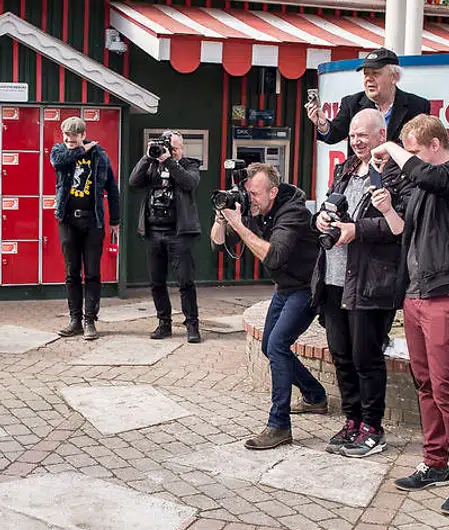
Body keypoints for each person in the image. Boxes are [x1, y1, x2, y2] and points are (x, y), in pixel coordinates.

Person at [374, 115, 449, 515]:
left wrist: (390, 148)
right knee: (425, 385)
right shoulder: (424, 184)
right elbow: (404, 229)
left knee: (447, 388)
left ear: (434, 146)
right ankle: (435, 462)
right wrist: (388, 208)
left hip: (448, 297)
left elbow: (432, 178)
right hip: (417, 295)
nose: (411, 160)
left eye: (415, 150)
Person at [310, 109, 407, 458]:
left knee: (366, 357)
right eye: (352, 135)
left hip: (370, 281)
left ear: (382, 136)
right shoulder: (345, 169)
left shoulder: (394, 174)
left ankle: (372, 427)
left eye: (363, 135)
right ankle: (352, 420)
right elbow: (332, 208)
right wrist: (321, 219)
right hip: (334, 279)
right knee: (341, 356)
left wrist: (357, 230)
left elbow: (400, 227)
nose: (356, 141)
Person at [211, 163, 324, 450]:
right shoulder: (255, 209)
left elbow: (273, 257)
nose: (251, 199)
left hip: (307, 287)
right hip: (285, 287)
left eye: (256, 193)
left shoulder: (294, 212)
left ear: (273, 191)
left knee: (277, 346)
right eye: (248, 193)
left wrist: (238, 223)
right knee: (268, 346)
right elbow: (217, 245)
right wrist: (222, 219)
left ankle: (279, 425)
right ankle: (314, 395)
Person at [50, 116, 121, 341]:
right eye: (66, 136)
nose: (68, 139)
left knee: (91, 272)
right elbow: (57, 162)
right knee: (72, 272)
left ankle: (90, 320)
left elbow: (112, 188)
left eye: (73, 136)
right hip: (68, 220)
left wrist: (115, 220)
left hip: (93, 221)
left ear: (82, 134)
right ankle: (75, 320)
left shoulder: (99, 156)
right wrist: (80, 150)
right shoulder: (60, 151)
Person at [128, 130, 203, 343]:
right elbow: (134, 181)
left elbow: (189, 183)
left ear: (181, 148)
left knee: (185, 282)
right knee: (156, 282)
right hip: (153, 232)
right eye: (171, 148)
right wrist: (147, 156)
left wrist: (170, 161)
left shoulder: (190, 165)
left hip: (179, 234)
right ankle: (164, 323)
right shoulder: (152, 164)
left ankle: (192, 325)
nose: (173, 151)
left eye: (176, 148)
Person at [306, 48, 431, 146]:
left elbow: (421, 147)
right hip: (365, 175)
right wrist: (322, 124)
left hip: (401, 175)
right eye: (366, 74)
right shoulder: (352, 103)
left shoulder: (417, 106)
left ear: (394, 77)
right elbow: (333, 135)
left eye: (375, 74)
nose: (368, 79)